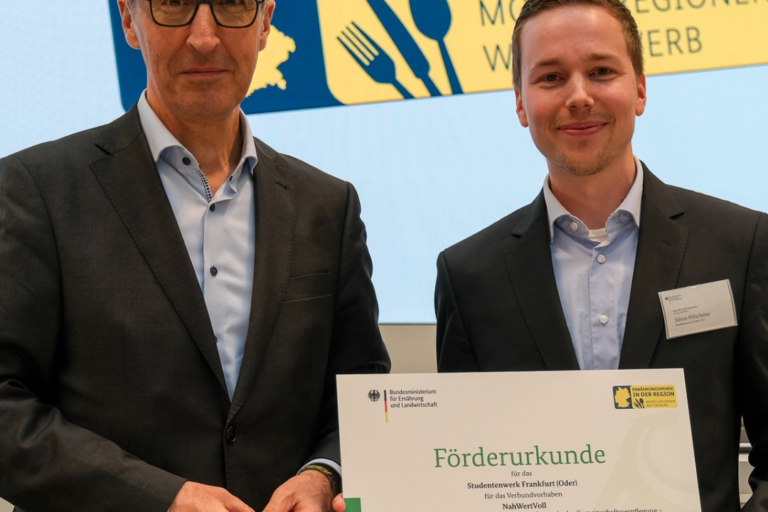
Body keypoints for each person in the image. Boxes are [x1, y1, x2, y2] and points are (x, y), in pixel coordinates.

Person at [0, 1, 390, 511]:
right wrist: (161, 499)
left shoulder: (328, 206)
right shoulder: (36, 191)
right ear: (129, 20)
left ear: (265, 22)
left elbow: (361, 392)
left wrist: (323, 475)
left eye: (232, 4)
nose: (204, 37)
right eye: (174, 4)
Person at [434, 0, 768, 510]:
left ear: (640, 89)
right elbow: (463, 468)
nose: (579, 96)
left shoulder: (739, 245)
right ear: (520, 103)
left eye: (601, 71)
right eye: (550, 77)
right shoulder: (468, 276)